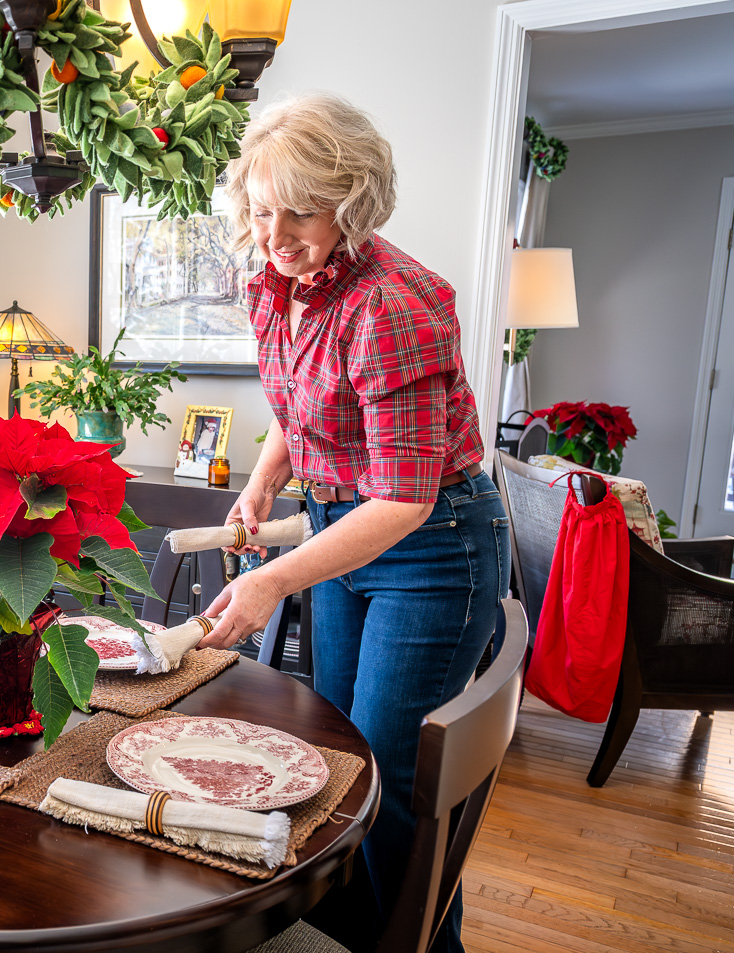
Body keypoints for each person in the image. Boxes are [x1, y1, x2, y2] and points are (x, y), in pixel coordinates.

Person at [197, 93, 510, 953]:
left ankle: (404, 944)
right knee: (336, 757)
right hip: (344, 527)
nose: (277, 232)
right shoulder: (274, 286)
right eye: (263, 209)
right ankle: (334, 934)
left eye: (302, 210)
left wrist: (272, 577)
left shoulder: (395, 304)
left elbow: (405, 497)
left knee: (394, 772)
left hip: (434, 546)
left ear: (352, 201)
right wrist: (263, 483)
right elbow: (301, 412)